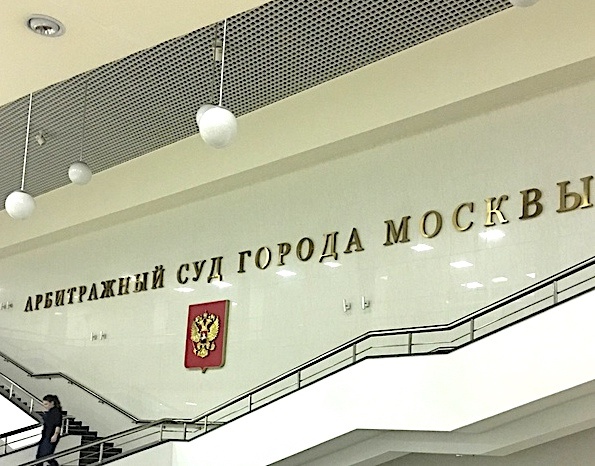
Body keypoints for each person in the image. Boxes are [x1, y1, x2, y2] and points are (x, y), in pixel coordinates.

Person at [36, 394, 62, 466]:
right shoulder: (50, 412)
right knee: (43, 456)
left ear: (52, 403)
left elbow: (58, 425)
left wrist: (55, 435)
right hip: (46, 435)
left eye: (46, 404)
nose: (45, 406)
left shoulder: (56, 412)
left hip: (50, 435)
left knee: (45, 456)